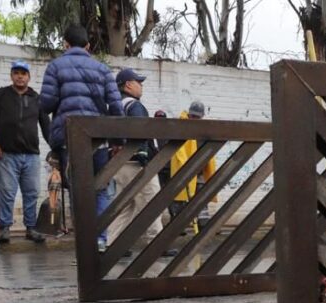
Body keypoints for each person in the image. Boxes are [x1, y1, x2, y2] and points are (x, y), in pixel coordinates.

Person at [39, 23, 123, 249]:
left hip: (70, 140)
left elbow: (46, 104)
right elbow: (116, 107)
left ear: (65, 44)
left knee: (78, 191)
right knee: (101, 189)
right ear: (88, 46)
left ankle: (84, 243)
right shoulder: (102, 69)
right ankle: (100, 239)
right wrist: (118, 142)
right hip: (98, 140)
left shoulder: (55, 67)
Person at [0, 60, 51, 245]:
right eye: (16, 73)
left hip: (31, 155)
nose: (20, 76)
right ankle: (5, 228)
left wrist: (55, 148)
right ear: (11, 75)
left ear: (29, 77)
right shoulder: (1, 95)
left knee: (31, 193)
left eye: (23, 73)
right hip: (7, 154)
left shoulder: (36, 98)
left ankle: (31, 228)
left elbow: (46, 126)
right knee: (7, 192)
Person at [107, 68, 161, 249]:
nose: (141, 86)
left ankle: (111, 245)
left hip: (119, 164)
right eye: (139, 82)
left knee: (125, 208)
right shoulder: (134, 105)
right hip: (136, 164)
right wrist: (144, 155)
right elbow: (141, 131)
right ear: (129, 84)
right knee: (151, 203)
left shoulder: (115, 106)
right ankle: (156, 244)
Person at [169, 100, 216, 222]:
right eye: (192, 116)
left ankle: (202, 225)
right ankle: (177, 226)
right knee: (179, 200)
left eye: (197, 117)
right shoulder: (181, 127)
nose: (194, 119)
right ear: (189, 114)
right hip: (183, 171)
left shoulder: (204, 131)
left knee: (201, 201)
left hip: (199, 172)